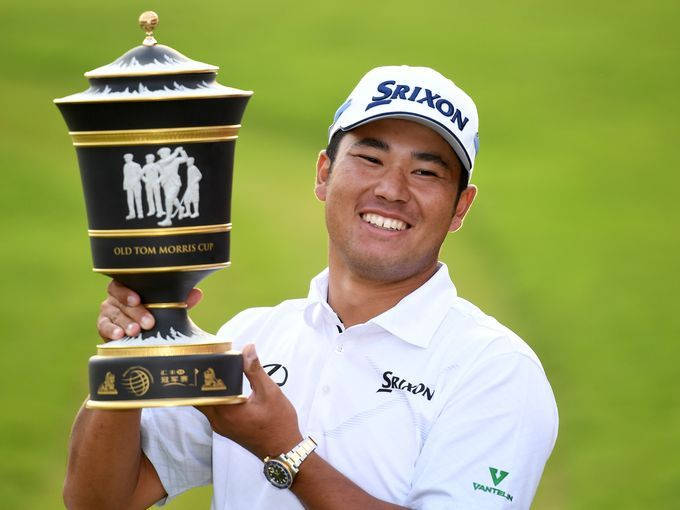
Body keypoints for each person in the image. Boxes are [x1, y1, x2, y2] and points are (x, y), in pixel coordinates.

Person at [63, 66, 558, 510]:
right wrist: (128, 353)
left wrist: (284, 449)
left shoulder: (494, 370)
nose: (392, 189)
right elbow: (99, 501)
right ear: (323, 174)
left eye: (426, 171)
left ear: (460, 207)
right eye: (370, 158)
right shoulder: (253, 337)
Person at [141, 153, 165, 218]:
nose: (147, 160)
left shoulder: (157, 166)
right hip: (148, 184)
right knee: (149, 198)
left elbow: (163, 174)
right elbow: (141, 175)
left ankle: (160, 211)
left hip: (155, 183)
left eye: (148, 158)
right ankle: (152, 210)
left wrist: (158, 181)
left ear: (152, 159)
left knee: (157, 197)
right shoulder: (145, 167)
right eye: (147, 159)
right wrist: (145, 180)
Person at [123, 153, 144, 220]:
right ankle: (132, 214)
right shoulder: (125, 166)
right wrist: (125, 185)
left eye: (127, 158)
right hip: (129, 185)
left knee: (138, 198)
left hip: (136, 184)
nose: (125, 159)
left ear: (131, 158)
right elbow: (125, 176)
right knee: (130, 200)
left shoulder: (136, 165)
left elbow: (140, 174)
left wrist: (135, 181)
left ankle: (140, 213)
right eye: (125, 158)